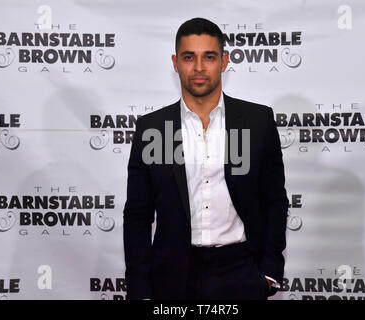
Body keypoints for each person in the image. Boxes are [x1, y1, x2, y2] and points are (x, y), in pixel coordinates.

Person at [123, 17, 289, 300]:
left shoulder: (256, 122)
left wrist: (269, 272)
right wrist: (140, 286)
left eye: (209, 57)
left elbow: (274, 200)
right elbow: (138, 214)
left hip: (240, 272)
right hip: (171, 275)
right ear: (176, 63)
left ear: (223, 62)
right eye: (189, 57)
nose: (199, 68)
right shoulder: (154, 129)